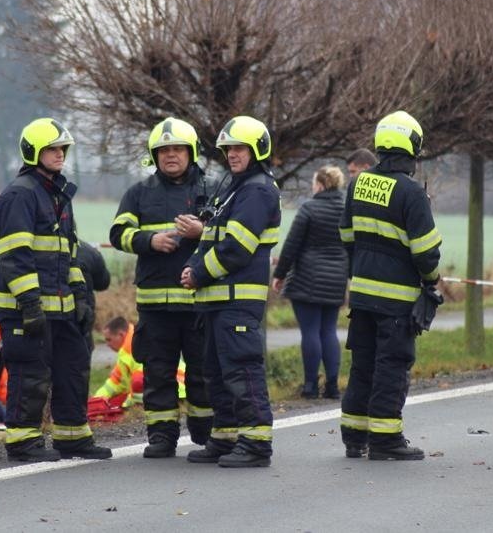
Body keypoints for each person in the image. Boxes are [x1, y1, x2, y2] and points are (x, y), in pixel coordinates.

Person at [0, 117, 111, 462]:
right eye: (52, 149)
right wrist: (30, 304)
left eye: (62, 148)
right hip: (25, 309)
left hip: (61, 307)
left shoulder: (58, 195)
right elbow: (15, 255)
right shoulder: (20, 195)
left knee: (73, 367)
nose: (60, 154)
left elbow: (68, 253)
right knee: (30, 373)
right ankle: (23, 442)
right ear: (34, 153)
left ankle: (72, 437)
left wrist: (80, 298)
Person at [338, 110, 442, 461]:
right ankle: (385, 440)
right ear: (413, 147)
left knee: (363, 364)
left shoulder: (358, 184)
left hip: (363, 295)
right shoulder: (412, 193)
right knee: (391, 366)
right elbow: (426, 252)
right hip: (397, 302)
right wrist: (431, 282)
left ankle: (354, 437)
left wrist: (363, 269)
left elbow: (346, 236)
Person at [109, 117, 213, 458]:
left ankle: (205, 431)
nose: (170, 155)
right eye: (163, 150)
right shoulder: (139, 193)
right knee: (157, 374)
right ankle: (161, 437)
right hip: (154, 306)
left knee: (203, 372)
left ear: (191, 152)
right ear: (154, 156)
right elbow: (118, 233)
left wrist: (203, 232)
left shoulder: (211, 191)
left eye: (177, 149)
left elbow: (231, 235)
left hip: (199, 302)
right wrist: (147, 240)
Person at [181, 115, 281, 468]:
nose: (232, 154)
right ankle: (224, 437)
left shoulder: (257, 190)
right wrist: (192, 265)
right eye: (228, 149)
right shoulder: (235, 189)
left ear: (257, 150)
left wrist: (200, 273)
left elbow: (237, 248)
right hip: (216, 300)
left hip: (237, 299)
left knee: (241, 369)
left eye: (239, 148)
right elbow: (211, 237)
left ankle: (255, 443)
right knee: (216, 371)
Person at [271, 165, 349, 399]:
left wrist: (280, 274)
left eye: (315, 183)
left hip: (307, 278)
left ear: (322, 184)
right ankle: (333, 386)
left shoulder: (309, 208)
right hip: (336, 279)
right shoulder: (348, 210)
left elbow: (292, 245)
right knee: (329, 331)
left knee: (310, 332)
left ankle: (310, 386)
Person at [91, 316, 187, 408]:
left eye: (109, 339)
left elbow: (140, 381)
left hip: (176, 389)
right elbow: (114, 383)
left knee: (137, 382)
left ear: (120, 335)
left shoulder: (135, 346)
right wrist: (96, 400)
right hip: (170, 387)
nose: (107, 344)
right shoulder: (127, 349)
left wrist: (126, 405)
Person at [75, 239, 110, 351]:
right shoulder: (89, 251)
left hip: (48, 316)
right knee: (80, 359)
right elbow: (103, 283)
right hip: (82, 315)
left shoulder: (39, 249)